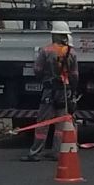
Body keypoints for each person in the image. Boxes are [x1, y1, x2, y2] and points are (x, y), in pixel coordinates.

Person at [21, 21, 79, 162]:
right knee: (62, 123)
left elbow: (38, 70)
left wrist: (43, 78)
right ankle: (58, 152)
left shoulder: (46, 51)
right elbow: (75, 75)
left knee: (42, 123)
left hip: (49, 90)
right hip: (64, 91)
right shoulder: (71, 52)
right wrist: (73, 89)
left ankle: (35, 153)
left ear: (54, 35)